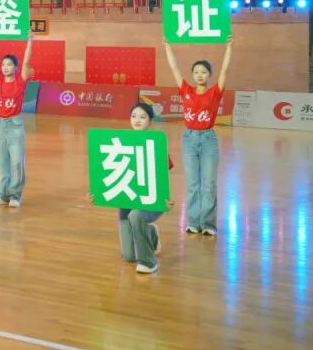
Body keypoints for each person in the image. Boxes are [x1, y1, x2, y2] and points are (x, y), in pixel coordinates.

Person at [88, 103, 174, 274]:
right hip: (127, 200)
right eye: (134, 116)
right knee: (128, 256)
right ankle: (151, 232)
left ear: (150, 121)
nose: (137, 120)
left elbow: (162, 179)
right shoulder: (121, 143)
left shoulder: (156, 145)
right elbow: (107, 173)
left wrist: (167, 200)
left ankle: (149, 262)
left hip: (150, 201)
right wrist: (96, 194)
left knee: (136, 215)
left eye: (142, 117)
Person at [163, 35, 233, 235]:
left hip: (208, 139)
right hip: (189, 139)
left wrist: (229, 46)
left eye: (203, 72)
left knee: (209, 184)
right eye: (196, 72)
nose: (199, 75)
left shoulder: (215, 92)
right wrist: (168, 46)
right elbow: (174, 67)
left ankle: (208, 224)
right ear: (192, 75)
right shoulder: (186, 90)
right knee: (193, 184)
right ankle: (193, 222)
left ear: (209, 75)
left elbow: (225, 69)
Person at [0, 35, 33, 207]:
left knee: (17, 162)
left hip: (14, 125)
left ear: (16, 67)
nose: (5, 67)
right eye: (3, 64)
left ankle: (15, 195)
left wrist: (30, 41)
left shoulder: (20, 81)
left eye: (9, 64)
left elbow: (27, 63)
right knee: (1, 161)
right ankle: (2, 194)